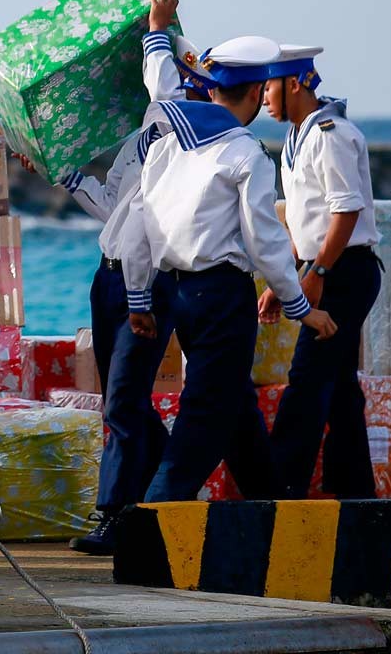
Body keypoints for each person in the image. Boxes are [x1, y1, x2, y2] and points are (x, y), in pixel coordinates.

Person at [120, 36, 337, 504]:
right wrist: (301, 308)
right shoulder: (246, 153)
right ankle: (153, 524)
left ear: (212, 88)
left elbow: (139, 223)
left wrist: (138, 297)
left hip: (175, 293)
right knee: (204, 418)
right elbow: (265, 239)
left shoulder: (168, 142)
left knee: (235, 410)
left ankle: (272, 508)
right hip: (221, 297)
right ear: (258, 94)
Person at [57, 0, 204, 554]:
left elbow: (146, 223)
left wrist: (158, 30)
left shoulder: (186, 138)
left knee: (121, 402)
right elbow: (114, 206)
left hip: (148, 284)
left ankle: (113, 515)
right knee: (127, 401)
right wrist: (66, 176)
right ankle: (161, 490)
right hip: (110, 276)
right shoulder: (144, 135)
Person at [262, 43, 381, 500]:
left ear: (293, 84)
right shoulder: (296, 137)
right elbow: (300, 216)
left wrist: (317, 271)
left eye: (269, 87)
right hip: (322, 267)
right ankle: (354, 489)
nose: (264, 96)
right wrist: (290, 275)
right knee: (340, 385)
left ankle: (280, 487)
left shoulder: (332, 134)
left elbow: (345, 211)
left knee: (307, 378)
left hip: (344, 271)